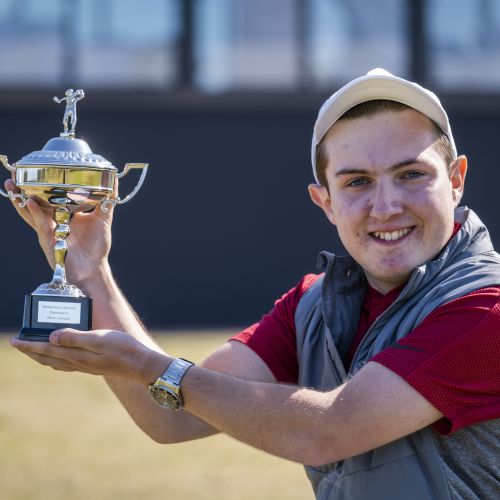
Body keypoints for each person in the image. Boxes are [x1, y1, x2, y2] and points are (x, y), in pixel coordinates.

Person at [8, 69, 500, 500]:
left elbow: (329, 430)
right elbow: (173, 417)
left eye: (411, 174)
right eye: (357, 182)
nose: (386, 205)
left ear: (456, 180)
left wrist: (148, 364)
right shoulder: (313, 303)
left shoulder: (487, 308)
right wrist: (90, 270)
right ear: (323, 200)